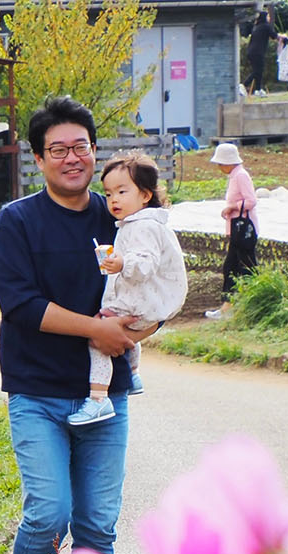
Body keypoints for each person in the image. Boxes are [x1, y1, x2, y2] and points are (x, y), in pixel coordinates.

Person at [0, 95, 157, 554]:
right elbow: (19, 302)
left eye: (79, 147)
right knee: (48, 515)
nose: (71, 158)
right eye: (57, 149)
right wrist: (94, 330)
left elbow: (156, 281)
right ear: (37, 159)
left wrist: (139, 328)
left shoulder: (122, 220)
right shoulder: (18, 221)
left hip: (108, 398)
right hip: (38, 394)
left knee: (97, 527)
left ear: (94, 151)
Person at [71, 154, 188, 427]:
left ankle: (98, 399)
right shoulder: (143, 223)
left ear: (145, 195)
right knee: (126, 335)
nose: (114, 200)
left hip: (142, 302)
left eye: (122, 192)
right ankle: (133, 373)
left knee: (98, 337)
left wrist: (123, 262)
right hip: (153, 302)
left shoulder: (142, 227)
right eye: (109, 193)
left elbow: (145, 264)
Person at [206, 141, 258, 319]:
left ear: (228, 162)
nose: (219, 167)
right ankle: (231, 308)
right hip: (238, 230)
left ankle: (233, 308)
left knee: (240, 268)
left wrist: (232, 208)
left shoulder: (241, 176)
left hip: (244, 230)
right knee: (235, 268)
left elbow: (251, 200)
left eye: (221, 163)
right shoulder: (235, 176)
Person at [244, 10, 276, 96]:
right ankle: (244, 85)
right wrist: (283, 37)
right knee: (258, 71)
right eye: (268, 16)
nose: (269, 18)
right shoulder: (266, 26)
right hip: (258, 52)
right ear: (265, 17)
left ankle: (258, 89)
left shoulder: (256, 27)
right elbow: (274, 36)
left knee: (258, 71)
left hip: (251, 52)